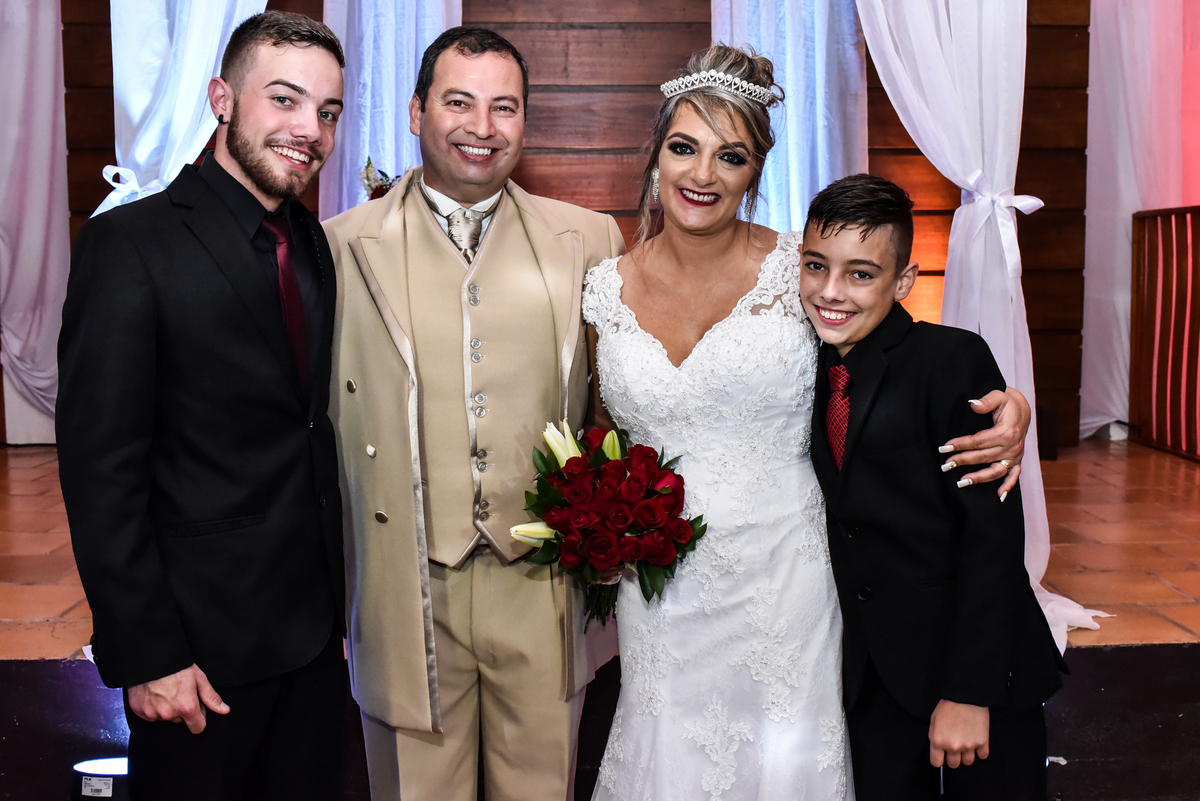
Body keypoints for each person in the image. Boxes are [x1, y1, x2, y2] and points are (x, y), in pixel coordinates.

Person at [582, 46, 1030, 800]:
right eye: (684, 147)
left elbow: (897, 357)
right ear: (656, 153)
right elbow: (598, 427)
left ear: (755, 171)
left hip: (786, 577)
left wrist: (1009, 403)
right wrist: (598, 520)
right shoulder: (602, 288)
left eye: (731, 156)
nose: (702, 174)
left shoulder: (802, 269)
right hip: (660, 589)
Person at [321, 27, 625, 801]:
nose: (482, 127)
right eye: (459, 102)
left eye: (504, 107)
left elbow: (622, 406)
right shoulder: (340, 247)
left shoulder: (589, 241)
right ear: (416, 111)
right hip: (405, 585)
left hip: (544, 589)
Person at [57, 12, 348, 799]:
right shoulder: (129, 245)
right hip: (196, 658)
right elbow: (100, 471)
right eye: (284, 99)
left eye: (327, 111)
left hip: (311, 647)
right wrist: (147, 651)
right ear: (222, 99)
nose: (309, 129)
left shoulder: (311, 242)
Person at [801, 173, 1066, 800]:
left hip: (974, 664)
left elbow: (991, 539)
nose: (831, 291)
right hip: (871, 672)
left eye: (861, 274)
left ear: (903, 281)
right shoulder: (801, 362)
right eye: (816, 266)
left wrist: (969, 692)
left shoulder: (951, 360)